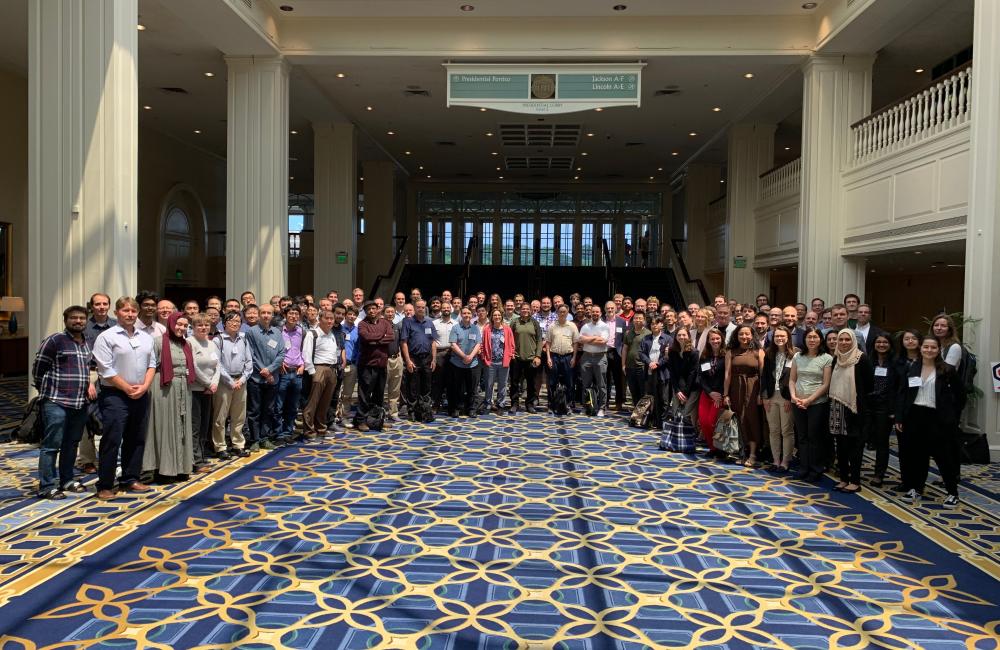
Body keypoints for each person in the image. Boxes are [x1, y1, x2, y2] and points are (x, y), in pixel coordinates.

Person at [92, 296, 157, 500]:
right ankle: (105, 484)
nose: (130, 314)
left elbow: (152, 364)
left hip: (141, 393)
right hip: (115, 395)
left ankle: (130, 477)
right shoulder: (107, 337)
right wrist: (128, 388)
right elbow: (105, 369)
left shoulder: (145, 336)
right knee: (112, 439)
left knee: (136, 437)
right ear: (116, 313)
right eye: (125, 311)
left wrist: (144, 386)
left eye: (133, 311)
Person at [895, 336, 966, 508]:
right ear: (921, 348)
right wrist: (900, 417)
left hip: (938, 418)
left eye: (933, 347)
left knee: (943, 457)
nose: (929, 350)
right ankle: (916, 488)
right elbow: (903, 394)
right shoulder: (912, 368)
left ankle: (952, 493)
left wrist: (952, 415)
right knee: (917, 456)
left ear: (938, 350)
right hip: (915, 416)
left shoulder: (947, 370)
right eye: (926, 347)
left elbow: (961, 395)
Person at [32, 305, 94, 499]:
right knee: (52, 445)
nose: (78, 321)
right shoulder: (54, 340)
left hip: (79, 402)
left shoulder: (87, 343)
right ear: (65, 320)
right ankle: (47, 486)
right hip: (55, 401)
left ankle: (67, 480)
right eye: (74, 318)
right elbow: (38, 369)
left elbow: (89, 368)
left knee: (71, 443)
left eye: (82, 318)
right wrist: (48, 392)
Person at [143, 312, 196, 482]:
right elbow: (150, 366)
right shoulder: (158, 342)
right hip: (164, 388)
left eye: (185, 326)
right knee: (165, 426)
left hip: (183, 388)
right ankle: (164, 469)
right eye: (178, 324)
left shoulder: (186, 344)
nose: (181, 328)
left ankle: (182, 467)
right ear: (171, 323)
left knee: (182, 426)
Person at [828, 329, 873, 494]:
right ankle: (843, 479)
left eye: (848, 339)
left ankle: (855, 481)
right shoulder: (836, 359)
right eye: (841, 339)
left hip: (855, 408)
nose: (844, 342)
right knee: (841, 446)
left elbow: (869, 385)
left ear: (853, 341)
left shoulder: (862, 359)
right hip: (837, 407)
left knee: (855, 447)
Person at [789, 327, 833, 483]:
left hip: (817, 403)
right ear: (805, 339)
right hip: (798, 402)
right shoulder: (797, 357)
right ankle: (804, 467)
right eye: (809, 337)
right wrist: (794, 397)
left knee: (814, 437)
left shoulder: (826, 358)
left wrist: (809, 400)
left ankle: (815, 468)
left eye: (815, 337)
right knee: (802, 437)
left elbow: (826, 384)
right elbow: (792, 379)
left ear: (820, 339)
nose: (812, 340)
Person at [245, 304, 286, 449]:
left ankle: (265, 437)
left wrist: (270, 370)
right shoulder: (251, 332)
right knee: (254, 410)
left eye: (269, 313)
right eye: (263, 313)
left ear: (273, 315)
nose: (266, 315)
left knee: (269, 409)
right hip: (256, 378)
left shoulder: (277, 332)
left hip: (272, 378)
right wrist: (263, 370)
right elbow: (250, 354)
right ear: (258, 314)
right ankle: (255, 439)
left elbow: (281, 354)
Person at [212, 312, 252, 456]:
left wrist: (242, 379)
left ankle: (238, 444)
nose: (235, 324)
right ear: (224, 323)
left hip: (241, 381)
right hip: (224, 382)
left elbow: (249, 362)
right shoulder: (218, 340)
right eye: (231, 321)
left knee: (239, 415)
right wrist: (230, 381)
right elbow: (217, 363)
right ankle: (220, 446)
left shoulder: (243, 339)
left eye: (237, 321)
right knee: (220, 416)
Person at [723, 325, 764, 467]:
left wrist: (761, 394)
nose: (744, 337)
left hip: (753, 388)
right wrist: (725, 394)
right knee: (739, 419)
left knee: (752, 418)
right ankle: (742, 452)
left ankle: (753, 454)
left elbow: (763, 375)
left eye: (747, 334)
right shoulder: (730, 352)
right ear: (736, 335)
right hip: (735, 388)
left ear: (752, 335)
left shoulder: (758, 352)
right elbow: (727, 375)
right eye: (741, 334)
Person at [302, 308, 346, 438]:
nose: (330, 321)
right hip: (318, 369)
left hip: (332, 369)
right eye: (327, 318)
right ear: (320, 320)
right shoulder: (312, 334)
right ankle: (309, 430)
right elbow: (306, 354)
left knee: (325, 402)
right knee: (313, 402)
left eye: (331, 319)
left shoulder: (332, 334)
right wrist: (312, 372)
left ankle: (321, 428)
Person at [188, 313, 222, 473]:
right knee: (195, 426)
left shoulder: (211, 343)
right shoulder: (190, 343)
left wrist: (214, 383)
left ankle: (201, 456)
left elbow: (218, 365)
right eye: (199, 325)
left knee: (204, 425)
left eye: (206, 325)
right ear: (193, 327)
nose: (203, 328)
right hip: (195, 390)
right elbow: (193, 367)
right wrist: (208, 383)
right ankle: (195, 460)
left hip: (209, 390)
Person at [355, 300, 395, 429]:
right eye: (368, 309)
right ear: (365, 311)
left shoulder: (385, 322)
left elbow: (391, 337)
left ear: (378, 309)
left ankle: (376, 420)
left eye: (373, 308)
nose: (371, 311)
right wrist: (381, 336)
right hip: (367, 365)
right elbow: (366, 337)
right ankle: (361, 420)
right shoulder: (362, 324)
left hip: (382, 364)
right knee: (364, 394)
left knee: (379, 393)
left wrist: (375, 339)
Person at [761, 326, 796, 472]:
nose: (779, 339)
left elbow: (795, 378)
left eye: (782, 336)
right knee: (773, 430)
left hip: (786, 398)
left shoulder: (795, 355)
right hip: (770, 396)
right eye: (776, 336)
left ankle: (785, 461)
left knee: (786, 430)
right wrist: (764, 397)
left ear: (788, 337)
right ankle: (776, 461)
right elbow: (764, 377)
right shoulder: (769, 354)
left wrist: (790, 398)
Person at [865, 332, 896, 487]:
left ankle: (879, 474)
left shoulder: (895, 362)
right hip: (868, 403)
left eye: (885, 342)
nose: (881, 345)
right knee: (861, 438)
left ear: (890, 345)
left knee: (882, 442)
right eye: (879, 342)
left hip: (885, 406)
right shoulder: (868, 360)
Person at [400, 299, 437, 417]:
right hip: (413, 358)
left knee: (427, 386)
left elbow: (433, 342)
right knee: (413, 386)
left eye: (422, 307)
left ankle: (424, 409)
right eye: (418, 307)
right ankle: (412, 410)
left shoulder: (429, 323)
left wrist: (434, 359)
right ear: (415, 308)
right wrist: (408, 360)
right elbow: (404, 342)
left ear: (425, 308)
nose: (420, 309)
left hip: (427, 358)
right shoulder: (408, 322)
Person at [275, 306, 305, 443]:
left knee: (293, 405)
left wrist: (303, 364)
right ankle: (279, 433)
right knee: (279, 404)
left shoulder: (302, 331)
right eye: (291, 313)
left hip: (297, 372)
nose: (293, 316)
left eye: (296, 314)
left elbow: (305, 350)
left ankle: (288, 432)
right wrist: (278, 363)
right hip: (283, 372)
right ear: (285, 315)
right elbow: (273, 349)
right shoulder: (279, 331)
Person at [447, 306, 482, 418]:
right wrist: (464, 356)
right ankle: (457, 408)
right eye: (464, 313)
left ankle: (471, 409)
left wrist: (470, 357)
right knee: (457, 388)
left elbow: (478, 344)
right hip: (457, 363)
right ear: (461, 315)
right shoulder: (455, 328)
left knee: (472, 388)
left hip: (473, 363)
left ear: (471, 315)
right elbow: (453, 344)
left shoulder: (475, 328)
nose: (467, 315)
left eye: (469, 313)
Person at [696, 328, 726, 457]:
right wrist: (710, 392)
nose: (715, 341)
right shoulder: (705, 356)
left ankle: (720, 449)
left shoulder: (726, 356)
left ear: (722, 339)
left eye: (717, 338)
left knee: (712, 422)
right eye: (712, 339)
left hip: (719, 396)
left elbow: (727, 377)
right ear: (708, 341)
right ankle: (712, 448)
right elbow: (701, 377)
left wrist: (719, 394)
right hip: (707, 394)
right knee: (704, 422)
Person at [510, 303, 543, 414]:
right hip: (517, 357)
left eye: (527, 309)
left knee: (531, 383)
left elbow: (539, 340)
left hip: (531, 358)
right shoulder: (515, 322)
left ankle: (529, 404)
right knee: (514, 383)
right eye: (523, 309)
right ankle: (514, 403)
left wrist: (538, 356)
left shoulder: (534, 322)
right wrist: (511, 353)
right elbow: (509, 338)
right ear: (520, 310)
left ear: (530, 310)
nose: (525, 310)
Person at [638, 317, 671, 428]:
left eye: (657, 323)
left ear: (662, 325)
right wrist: (650, 362)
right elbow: (641, 353)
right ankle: (651, 420)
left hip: (662, 372)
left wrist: (657, 364)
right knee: (651, 397)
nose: (654, 325)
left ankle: (662, 422)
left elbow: (668, 356)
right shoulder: (646, 338)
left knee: (664, 399)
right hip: (649, 371)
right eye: (652, 324)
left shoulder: (667, 339)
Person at [545, 304, 579, 412]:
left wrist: (574, 357)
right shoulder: (552, 326)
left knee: (569, 382)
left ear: (568, 313)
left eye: (564, 312)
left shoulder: (572, 326)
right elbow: (548, 343)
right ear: (557, 313)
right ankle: (551, 405)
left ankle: (568, 404)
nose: (562, 313)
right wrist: (548, 358)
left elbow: (575, 343)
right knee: (552, 382)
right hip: (554, 357)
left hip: (568, 357)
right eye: (560, 312)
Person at [579, 304, 610, 417]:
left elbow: (603, 341)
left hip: (600, 357)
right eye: (593, 312)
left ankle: (602, 408)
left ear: (601, 313)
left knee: (601, 385)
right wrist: (595, 337)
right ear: (590, 313)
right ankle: (585, 406)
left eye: (597, 312)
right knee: (585, 384)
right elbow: (580, 339)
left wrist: (588, 339)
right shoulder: (586, 326)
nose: (595, 313)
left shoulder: (604, 326)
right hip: (586, 357)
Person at [482, 308, 515, 413]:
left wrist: (510, 355)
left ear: (501, 316)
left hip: (503, 361)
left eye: (499, 315)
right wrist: (484, 356)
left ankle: (501, 404)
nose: (497, 317)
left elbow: (512, 344)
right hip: (490, 361)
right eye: (494, 315)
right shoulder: (487, 329)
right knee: (489, 384)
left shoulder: (507, 329)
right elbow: (482, 344)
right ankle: (488, 404)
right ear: (492, 317)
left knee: (502, 384)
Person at [666, 327, 699, 424]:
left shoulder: (694, 352)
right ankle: (676, 435)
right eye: (679, 335)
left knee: (686, 414)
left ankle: (690, 435)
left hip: (692, 387)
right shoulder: (672, 351)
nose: (681, 337)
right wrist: (677, 390)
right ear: (675, 337)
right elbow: (672, 372)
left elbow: (692, 374)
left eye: (684, 335)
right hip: (677, 387)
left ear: (688, 336)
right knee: (675, 412)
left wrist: (685, 393)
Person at [622, 311, 650, 409]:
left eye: (640, 318)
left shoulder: (648, 333)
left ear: (644, 320)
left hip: (642, 367)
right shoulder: (628, 333)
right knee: (633, 391)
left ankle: (643, 413)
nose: (637, 320)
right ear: (633, 320)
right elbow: (625, 349)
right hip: (630, 367)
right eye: (635, 318)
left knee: (643, 391)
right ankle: (636, 412)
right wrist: (623, 365)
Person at [431, 302, 456, 411]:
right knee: (438, 382)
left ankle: (451, 406)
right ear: (441, 310)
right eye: (444, 308)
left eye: (448, 308)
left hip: (452, 354)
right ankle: (436, 404)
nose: (446, 309)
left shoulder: (456, 323)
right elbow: (432, 341)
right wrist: (433, 358)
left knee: (451, 381)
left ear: (451, 309)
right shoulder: (434, 323)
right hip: (439, 354)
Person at [338, 305, 360, 425]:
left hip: (352, 365)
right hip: (339, 365)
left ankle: (344, 417)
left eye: (354, 315)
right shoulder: (339, 329)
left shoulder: (358, 330)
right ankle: (333, 417)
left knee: (347, 394)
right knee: (336, 393)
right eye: (350, 314)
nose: (352, 316)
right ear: (345, 315)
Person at [603, 301, 627, 411]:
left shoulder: (622, 321)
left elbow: (624, 339)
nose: (610, 310)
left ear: (615, 309)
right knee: (605, 378)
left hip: (617, 353)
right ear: (605, 309)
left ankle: (619, 402)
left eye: (612, 308)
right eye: (608, 308)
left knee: (618, 379)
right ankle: (605, 401)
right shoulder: (601, 320)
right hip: (604, 352)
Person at [383, 306, 404, 422]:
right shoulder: (380, 326)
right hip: (384, 360)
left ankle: (394, 412)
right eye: (388, 312)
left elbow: (400, 343)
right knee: (383, 388)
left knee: (395, 388)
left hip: (396, 359)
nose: (390, 314)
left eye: (392, 312)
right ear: (383, 313)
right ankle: (382, 411)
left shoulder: (396, 327)